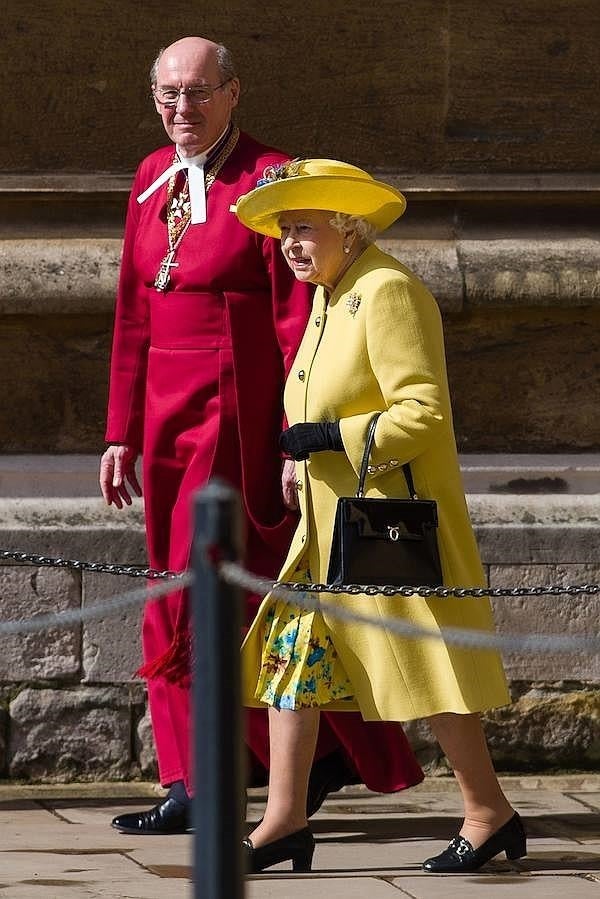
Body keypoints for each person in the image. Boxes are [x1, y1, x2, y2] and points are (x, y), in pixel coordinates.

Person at [100, 40, 423, 835]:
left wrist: (292, 438)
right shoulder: (148, 178)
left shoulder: (274, 179)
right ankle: (228, 767)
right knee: (170, 587)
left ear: (233, 93)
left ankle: (224, 776)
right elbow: (133, 312)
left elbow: (294, 318)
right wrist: (119, 432)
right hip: (165, 411)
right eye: (168, 94)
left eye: (199, 93)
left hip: (234, 411)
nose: (183, 108)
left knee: (216, 590)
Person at [234, 158, 527, 873]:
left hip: (385, 526)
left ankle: (489, 812)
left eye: (302, 228)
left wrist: (333, 439)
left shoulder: (388, 290)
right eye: (283, 232)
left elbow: (421, 412)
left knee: (432, 672)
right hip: (327, 526)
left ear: (346, 225)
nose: (290, 245)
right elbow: (317, 394)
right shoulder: (333, 293)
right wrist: (297, 457)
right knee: (291, 661)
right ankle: (284, 820)